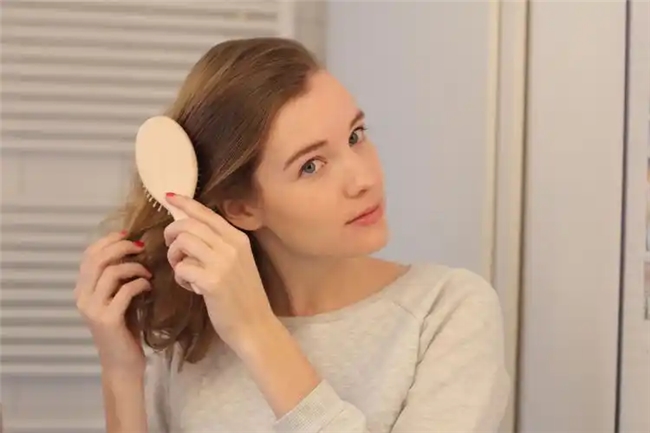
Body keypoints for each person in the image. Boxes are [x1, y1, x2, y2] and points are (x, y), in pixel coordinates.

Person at [74, 37, 510, 433]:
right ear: (242, 207)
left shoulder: (447, 313)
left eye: (355, 136)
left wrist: (257, 333)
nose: (363, 179)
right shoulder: (195, 335)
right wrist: (121, 373)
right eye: (311, 166)